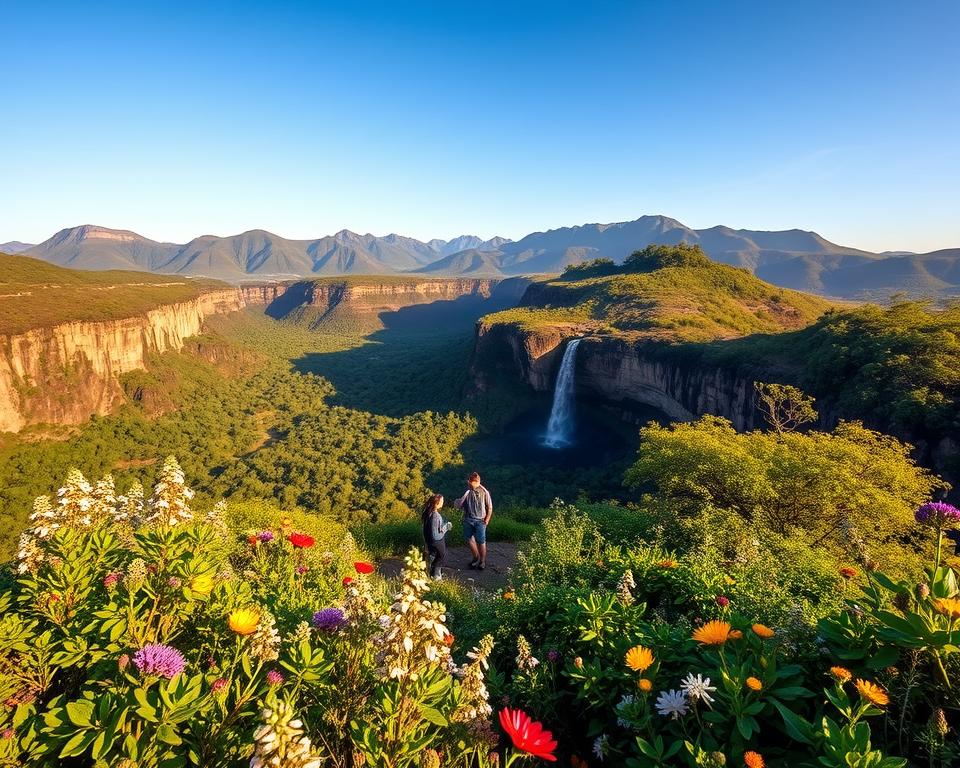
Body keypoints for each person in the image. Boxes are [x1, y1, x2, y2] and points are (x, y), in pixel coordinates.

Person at [454, 471, 493, 570]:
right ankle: (476, 557)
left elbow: (490, 507)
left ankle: (482, 561)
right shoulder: (468, 492)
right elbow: (460, 505)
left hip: (480, 520)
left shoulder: (485, 492)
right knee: (469, 539)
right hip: (468, 519)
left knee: (481, 541)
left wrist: (487, 519)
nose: (468, 484)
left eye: (470, 482)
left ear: (475, 482)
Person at [421, 493, 453, 580]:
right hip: (437, 541)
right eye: (441, 501)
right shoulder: (435, 515)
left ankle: (432, 574)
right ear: (437, 503)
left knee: (436, 557)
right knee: (441, 556)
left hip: (429, 540)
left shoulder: (428, 513)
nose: (443, 502)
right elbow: (435, 534)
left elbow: (425, 529)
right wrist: (446, 528)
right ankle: (437, 576)